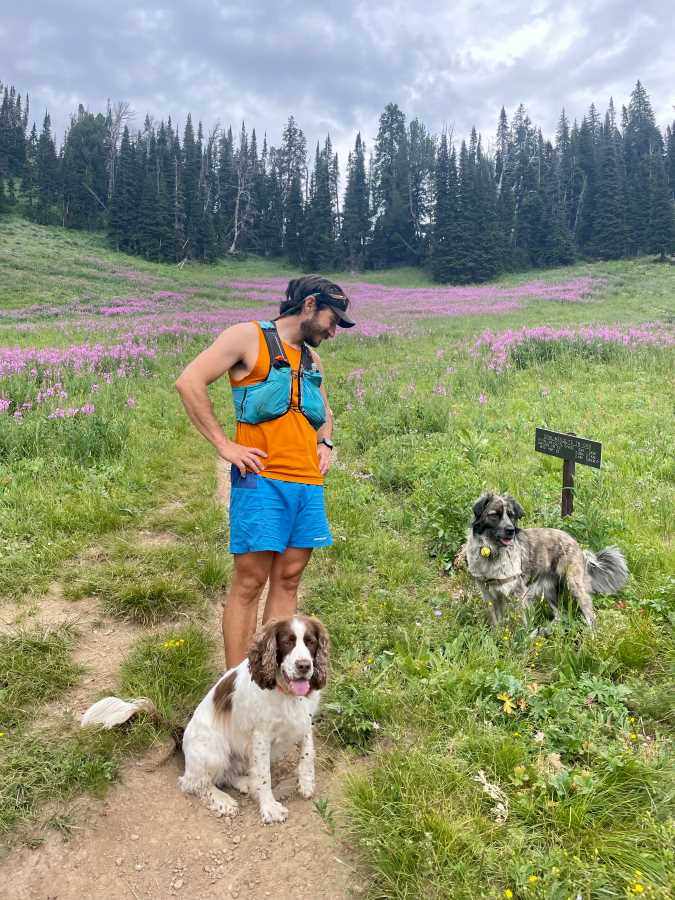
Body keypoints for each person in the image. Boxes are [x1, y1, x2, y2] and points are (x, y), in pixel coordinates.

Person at [175, 275, 355, 667]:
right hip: (262, 481)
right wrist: (225, 445)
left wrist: (324, 442)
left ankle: (273, 674)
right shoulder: (247, 337)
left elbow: (323, 411)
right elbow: (189, 381)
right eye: (332, 320)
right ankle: (238, 682)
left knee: (289, 578)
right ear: (309, 305)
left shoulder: (311, 359)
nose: (333, 331)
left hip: (307, 484)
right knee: (250, 581)